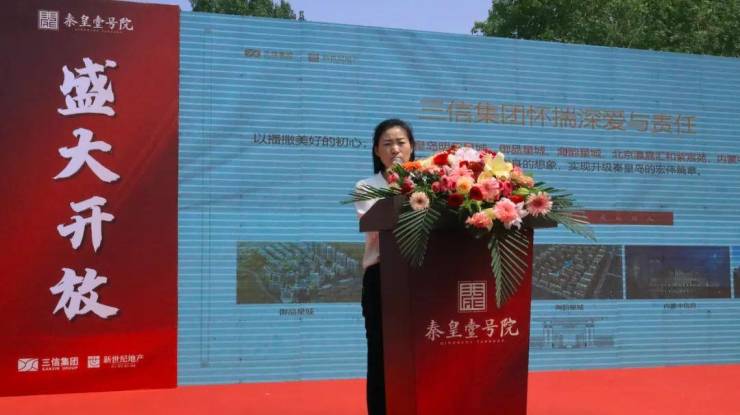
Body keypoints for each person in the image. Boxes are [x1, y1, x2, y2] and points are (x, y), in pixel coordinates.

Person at [354, 119, 416, 415]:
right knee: (381, 352)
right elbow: (377, 227)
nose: (395, 149)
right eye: (387, 144)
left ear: (412, 147)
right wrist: (399, 186)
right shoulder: (366, 187)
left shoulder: (431, 185)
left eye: (401, 142)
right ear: (377, 151)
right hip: (382, 277)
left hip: (421, 276)